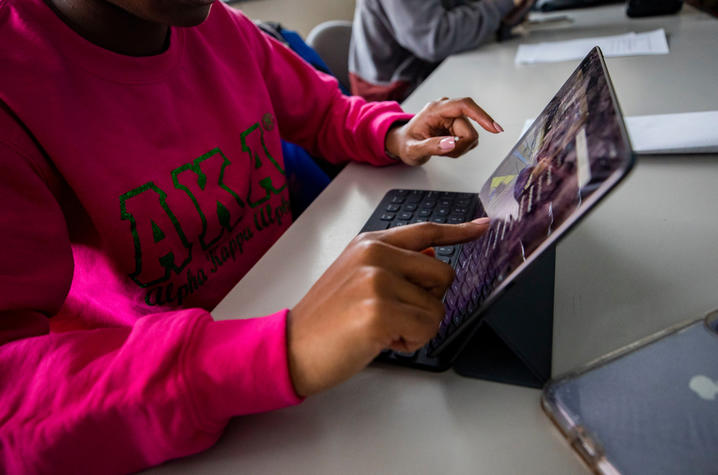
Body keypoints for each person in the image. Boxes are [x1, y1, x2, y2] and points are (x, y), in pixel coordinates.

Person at [0, 0, 500, 471]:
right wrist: (281, 349)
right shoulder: (16, 87)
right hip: (167, 402)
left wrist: (392, 133)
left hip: (301, 317)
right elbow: (13, 400)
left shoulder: (221, 27)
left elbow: (326, 112)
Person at [349, 0, 535, 102]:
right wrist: (502, 4)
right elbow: (436, 39)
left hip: (438, 68)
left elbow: (460, 11)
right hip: (398, 95)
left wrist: (510, 10)